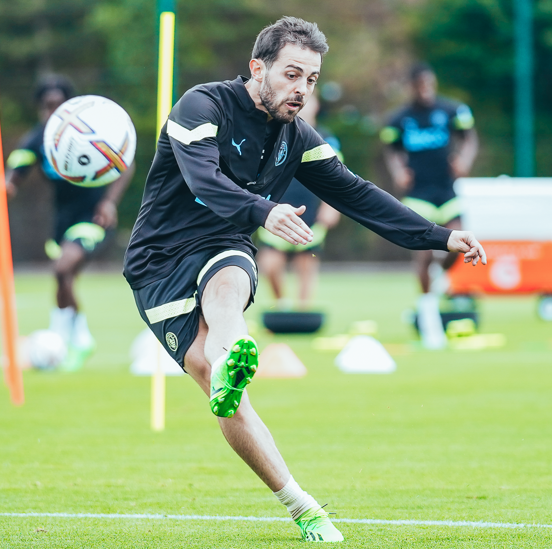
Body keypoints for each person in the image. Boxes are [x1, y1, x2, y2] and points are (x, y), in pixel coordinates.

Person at [124, 17, 486, 543]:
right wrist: (264, 210)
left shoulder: (297, 138)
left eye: (312, 80)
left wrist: (438, 237)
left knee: (227, 283)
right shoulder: (201, 107)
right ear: (258, 67)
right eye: (292, 75)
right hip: (157, 262)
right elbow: (203, 179)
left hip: (222, 248)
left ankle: (303, 505)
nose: (302, 90)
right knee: (208, 373)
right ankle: (230, 371)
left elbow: (356, 194)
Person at [5, 75, 135, 371]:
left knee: (62, 268)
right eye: (46, 106)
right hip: (61, 223)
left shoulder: (89, 132)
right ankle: (77, 337)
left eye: (56, 105)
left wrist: (109, 201)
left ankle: (67, 336)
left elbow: (126, 163)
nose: (51, 111)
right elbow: (16, 167)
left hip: (93, 218)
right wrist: (8, 184)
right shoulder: (39, 139)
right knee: (64, 279)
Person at [380, 63, 479, 295]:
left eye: (429, 84)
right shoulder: (399, 118)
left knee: (461, 244)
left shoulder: (451, 110)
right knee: (423, 252)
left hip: (447, 189)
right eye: (420, 85)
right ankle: (426, 303)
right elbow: (391, 149)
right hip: (418, 193)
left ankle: (440, 276)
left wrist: (464, 159)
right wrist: (398, 170)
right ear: (412, 87)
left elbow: (469, 138)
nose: (425, 89)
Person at [255, 93, 341, 310]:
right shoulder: (274, 131)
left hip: (310, 209)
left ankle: (302, 315)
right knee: (270, 264)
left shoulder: (326, 138)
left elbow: (338, 175)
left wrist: (332, 207)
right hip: (276, 208)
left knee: (306, 264)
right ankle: (282, 304)